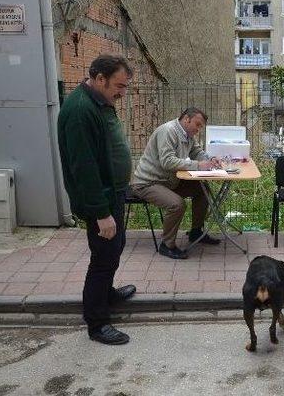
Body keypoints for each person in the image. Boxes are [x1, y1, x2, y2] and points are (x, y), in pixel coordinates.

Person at [58, 54, 137, 345]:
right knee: (103, 258)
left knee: (116, 247)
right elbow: (84, 167)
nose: (122, 92)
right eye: (119, 85)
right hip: (100, 199)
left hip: (112, 192)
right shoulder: (81, 111)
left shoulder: (99, 101)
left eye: (126, 87)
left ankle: (107, 295)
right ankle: (97, 322)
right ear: (100, 78)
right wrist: (101, 213)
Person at [131, 107, 221, 260]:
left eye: (201, 127)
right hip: (147, 182)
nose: (198, 130)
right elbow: (167, 162)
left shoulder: (187, 134)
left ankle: (196, 232)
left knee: (202, 189)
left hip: (168, 181)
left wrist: (209, 160)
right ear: (187, 119)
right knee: (177, 204)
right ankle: (167, 245)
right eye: (197, 125)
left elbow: (196, 152)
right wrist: (199, 165)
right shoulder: (168, 131)